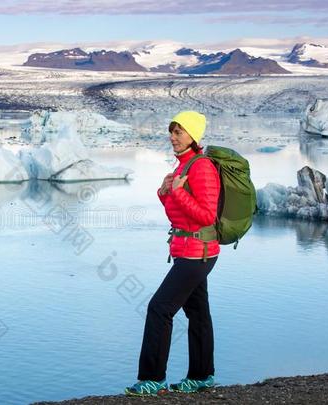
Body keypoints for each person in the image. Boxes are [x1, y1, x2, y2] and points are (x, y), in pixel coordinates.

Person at [125, 111, 221, 396]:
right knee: (198, 312)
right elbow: (177, 215)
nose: (173, 137)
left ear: (193, 135)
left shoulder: (201, 167)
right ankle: (202, 376)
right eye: (172, 131)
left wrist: (178, 193)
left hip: (197, 253)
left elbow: (206, 215)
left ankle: (152, 379)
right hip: (188, 251)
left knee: (159, 308)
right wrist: (166, 192)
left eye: (179, 132)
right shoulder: (182, 167)